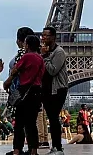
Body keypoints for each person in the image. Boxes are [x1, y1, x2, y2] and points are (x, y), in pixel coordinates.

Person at [3, 35, 45, 155]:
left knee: (20, 123)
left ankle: (17, 150)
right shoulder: (40, 58)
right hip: (36, 92)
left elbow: (15, 70)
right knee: (32, 123)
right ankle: (33, 150)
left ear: (27, 45)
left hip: (24, 91)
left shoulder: (26, 57)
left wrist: (8, 81)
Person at [41, 26, 68, 155]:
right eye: (43, 35)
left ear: (53, 37)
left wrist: (44, 56)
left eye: (46, 35)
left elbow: (53, 70)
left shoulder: (59, 52)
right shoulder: (43, 52)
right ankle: (55, 147)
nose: (43, 38)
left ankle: (58, 147)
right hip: (47, 89)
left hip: (58, 89)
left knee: (53, 117)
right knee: (52, 118)